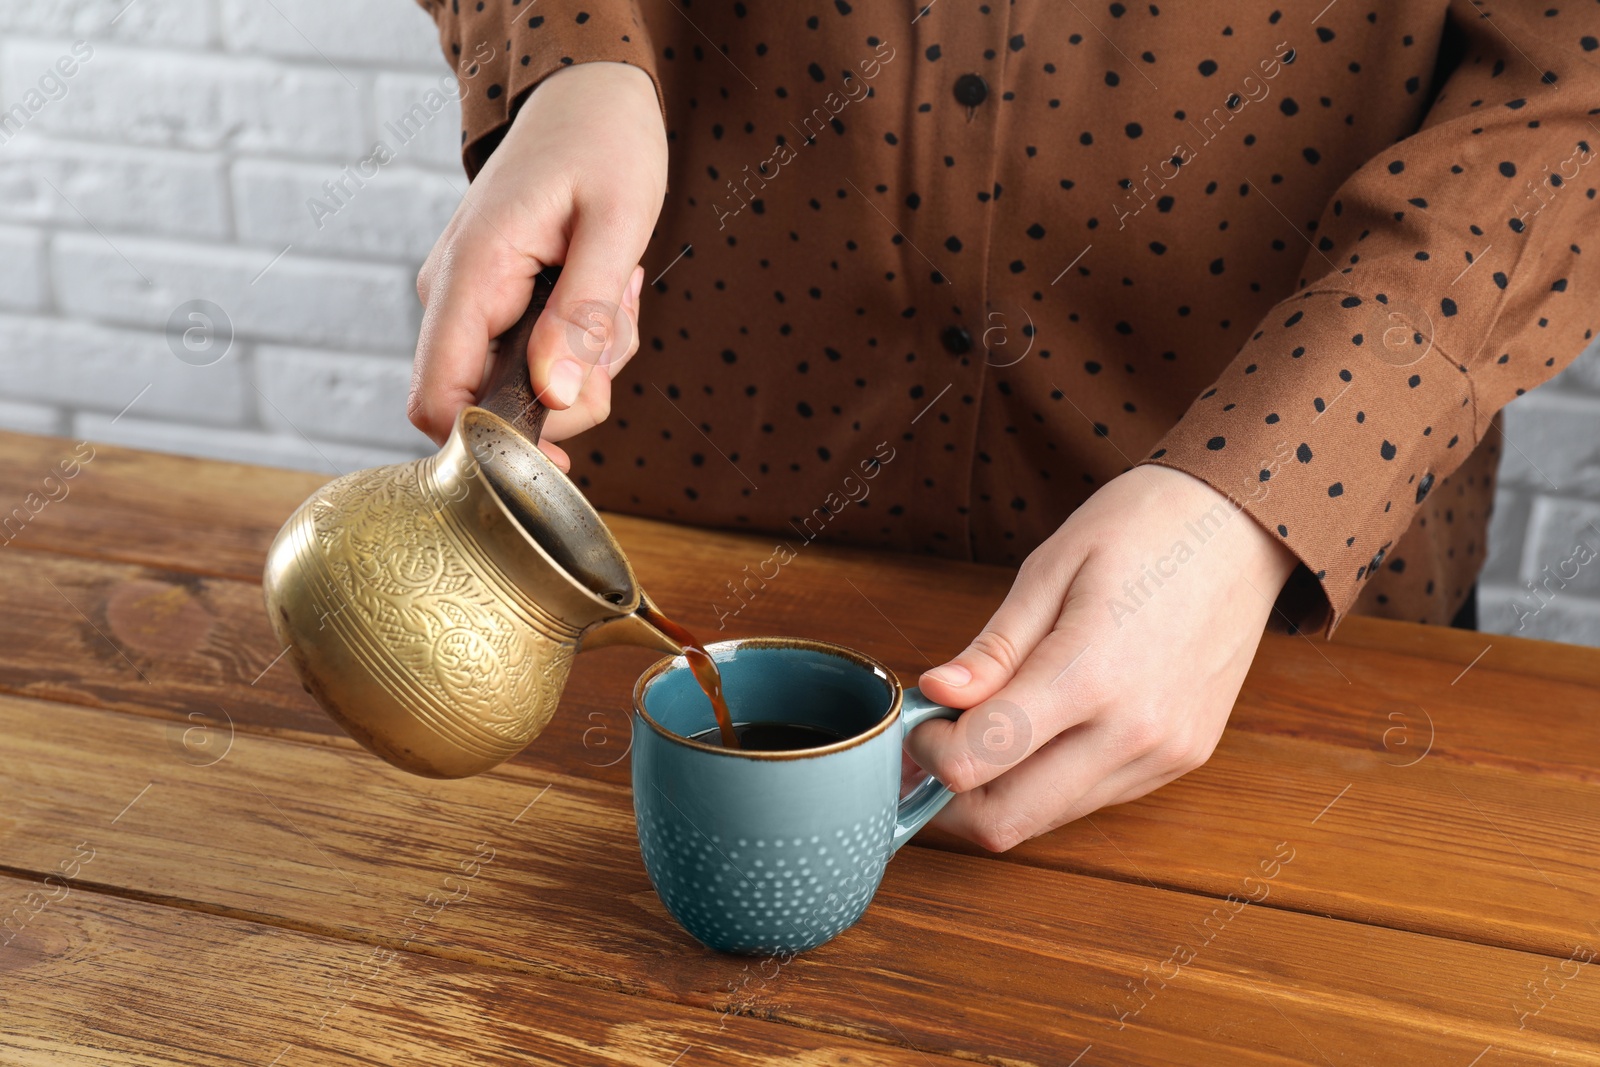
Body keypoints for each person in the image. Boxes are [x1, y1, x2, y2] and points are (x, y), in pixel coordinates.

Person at [405, 0, 1597, 851]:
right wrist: (566, 61)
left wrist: (1279, 480)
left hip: (1282, 623)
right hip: (690, 514)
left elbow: (1575, 88)